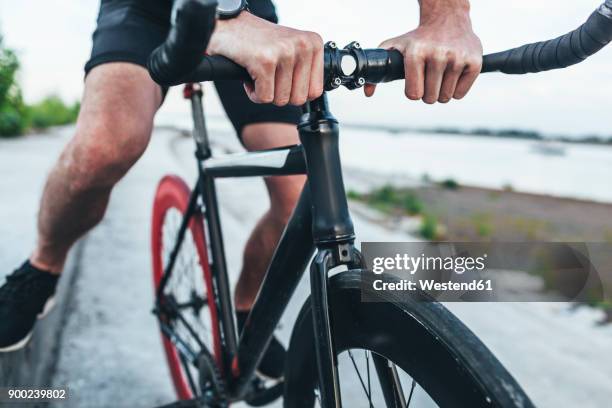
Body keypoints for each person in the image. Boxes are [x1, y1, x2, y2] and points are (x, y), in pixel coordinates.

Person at [0, 0, 482, 380]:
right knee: (104, 149)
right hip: (145, 8)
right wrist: (224, 13)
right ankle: (42, 266)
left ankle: (245, 311)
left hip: (248, 9)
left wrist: (446, 16)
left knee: (299, 199)